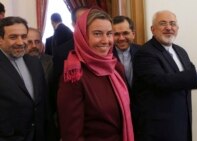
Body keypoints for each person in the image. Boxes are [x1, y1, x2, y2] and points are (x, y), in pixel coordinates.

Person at [131, 10, 197, 141]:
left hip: (182, 124)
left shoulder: (180, 51)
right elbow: (161, 82)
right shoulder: (145, 53)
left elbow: (191, 78)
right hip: (158, 130)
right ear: (153, 29)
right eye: (163, 23)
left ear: (177, 28)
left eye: (172, 24)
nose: (169, 27)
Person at [57, 9, 134, 141]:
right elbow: (72, 135)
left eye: (109, 34)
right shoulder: (74, 75)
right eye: (97, 34)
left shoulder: (116, 68)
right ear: (82, 36)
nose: (106, 40)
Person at [0, 16, 55, 141]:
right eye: (13, 37)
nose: (20, 42)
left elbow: (44, 104)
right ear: (0, 39)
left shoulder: (34, 63)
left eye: (24, 36)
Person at [112, 16, 140, 88]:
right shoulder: (105, 55)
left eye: (125, 33)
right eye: (116, 34)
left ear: (133, 34)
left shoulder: (143, 52)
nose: (121, 38)